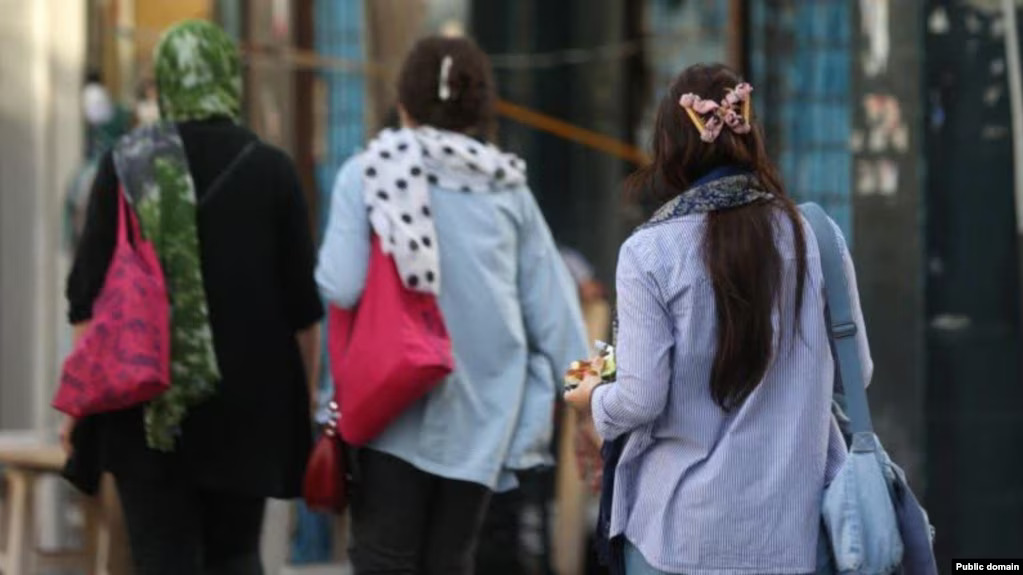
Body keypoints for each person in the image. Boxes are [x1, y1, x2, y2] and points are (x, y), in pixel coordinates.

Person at [564, 63, 872, 575]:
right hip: (795, 540)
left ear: (669, 149)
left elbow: (638, 398)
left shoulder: (649, 252)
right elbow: (855, 376)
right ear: (750, 136)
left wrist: (588, 397)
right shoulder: (819, 238)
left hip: (678, 541)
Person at [316, 36, 588, 575]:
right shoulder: (509, 190)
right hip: (482, 425)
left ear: (403, 104)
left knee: (383, 561)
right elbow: (561, 320)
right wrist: (596, 405)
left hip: (388, 414)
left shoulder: (368, 174)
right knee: (452, 562)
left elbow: (340, 285)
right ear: (480, 110)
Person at [62, 20, 323, 575]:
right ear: (228, 77)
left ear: (167, 83)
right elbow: (304, 309)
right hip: (248, 411)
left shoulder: (126, 163)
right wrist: (301, 402)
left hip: (146, 410)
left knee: (160, 559)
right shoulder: (273, 171)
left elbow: (86, 298)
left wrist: (82, 400)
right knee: (235, 556)